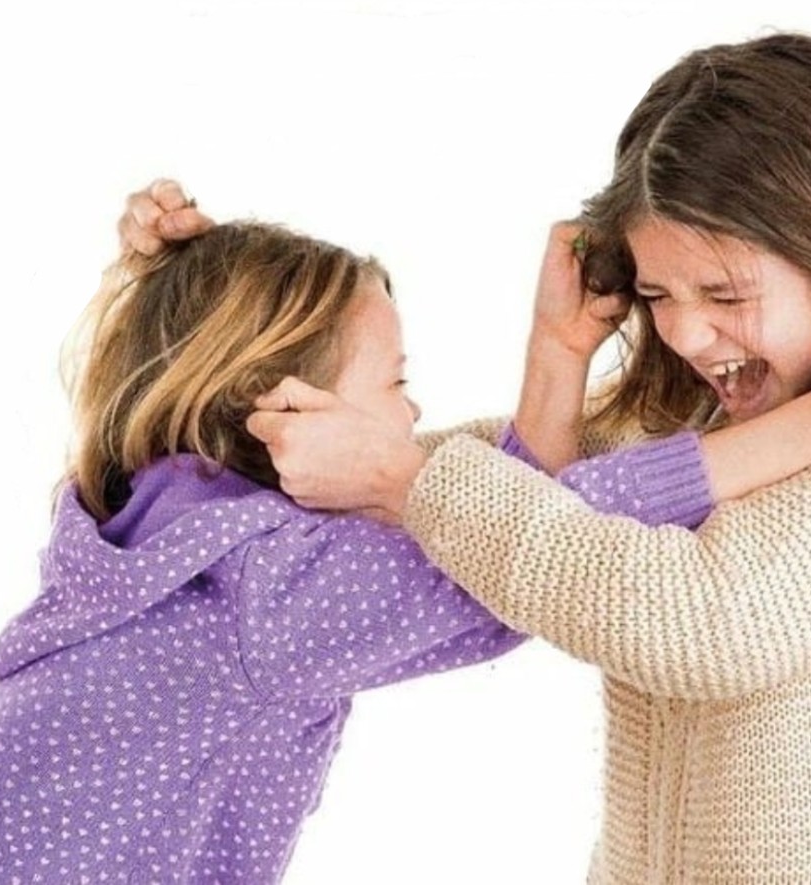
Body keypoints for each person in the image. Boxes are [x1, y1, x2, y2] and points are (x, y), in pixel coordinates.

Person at [0, 216, 686, 885]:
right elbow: (512, 556)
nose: (413, 415)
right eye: (394, 382)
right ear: (277, 407)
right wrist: (766, 444)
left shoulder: (151, 504)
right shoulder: (275, 588)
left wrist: (561, 349)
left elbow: (488, 526)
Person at [222, 33, 811, 884]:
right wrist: (188, 309)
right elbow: (522, 481)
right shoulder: (700, 415)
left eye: (724, 294)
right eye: (655, 294)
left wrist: (405, 481)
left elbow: (706, 623)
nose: (682, 333)